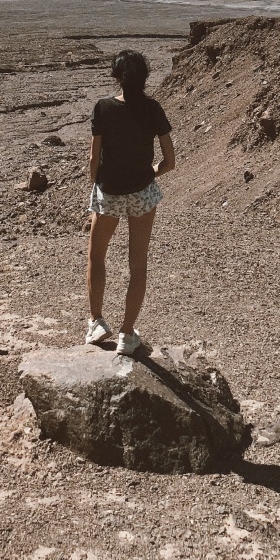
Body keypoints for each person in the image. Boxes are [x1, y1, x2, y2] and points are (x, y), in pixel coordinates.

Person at [85, 49, 175, 356]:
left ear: (116, 77)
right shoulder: (153, 109)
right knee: (137, 265)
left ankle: (97, 322)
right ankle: (126, 334)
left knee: (97, 256)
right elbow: (170, 161)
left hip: (108, 192)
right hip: (142, 193)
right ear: (145, 77)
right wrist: (150, 173)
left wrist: (96, 185)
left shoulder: (103, 107)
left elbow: (94, 158)